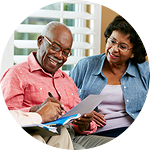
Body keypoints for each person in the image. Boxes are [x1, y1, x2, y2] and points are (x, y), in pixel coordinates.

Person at [0, 21, 114, 149]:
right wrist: (36, 111)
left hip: (75, 134)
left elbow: (79, 120)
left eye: (66, 52)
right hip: (43, 134)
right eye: (55, 47)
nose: (60, 56)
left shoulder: (67, 79)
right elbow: (12, 114)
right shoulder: (16, 74)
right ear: (40, 41)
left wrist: (85, 124)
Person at [69, 15, 149, 138]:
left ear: (134, 52)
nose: (114, 49)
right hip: (92, 133)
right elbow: (65, 97)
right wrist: (83, 111)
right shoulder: (86, 65)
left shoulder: (144, 70)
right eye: (112, 41)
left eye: (122, 46)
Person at [10, 101, 74, 149]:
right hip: (34, 125)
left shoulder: (70, 83)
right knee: (36, 137)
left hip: (70, 127)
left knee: (61, 131)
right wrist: (39, 115)